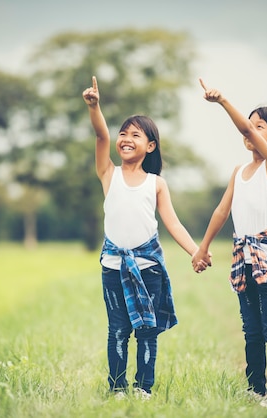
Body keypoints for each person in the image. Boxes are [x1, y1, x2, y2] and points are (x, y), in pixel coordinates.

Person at [82, 76, 208, 400]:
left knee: (147, 331)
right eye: (123, 133)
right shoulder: (108, 174)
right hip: (112, 267)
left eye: (135, 135)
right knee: (119, 331)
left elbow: (174, 224)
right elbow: (100, 134)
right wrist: (95, 107)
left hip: (148, 267)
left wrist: (197, 252)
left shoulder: (156, 183)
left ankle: (143, 388)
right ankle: (118, 388)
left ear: (150, 146)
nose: (125, 139)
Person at [192, 78, 267, 412]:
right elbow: (221, 210)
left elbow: (242, 125)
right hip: (243, 257)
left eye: (258, 128)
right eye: (251, 125)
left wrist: (224, 101)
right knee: (251, 329)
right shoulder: (239, 170)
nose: (250, 132)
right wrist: (202, 247)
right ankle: (255, 388)